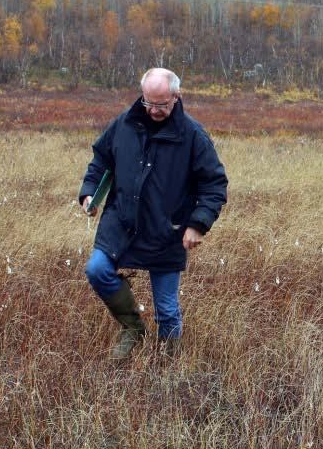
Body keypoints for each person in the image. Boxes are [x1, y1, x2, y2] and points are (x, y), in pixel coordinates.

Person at [79, 68, 228, 360]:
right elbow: (100, 159)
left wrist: (198, 224)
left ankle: (167, 365)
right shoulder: (124, 124)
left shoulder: (193, 136)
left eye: (162, 104)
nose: (154, 110)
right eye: (149, 102)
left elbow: (215, 185)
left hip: (166, 231)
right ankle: (133, 328)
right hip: (122, 224)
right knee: (97, 270)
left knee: (167, 311)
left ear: (176, 97)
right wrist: (89, 191)